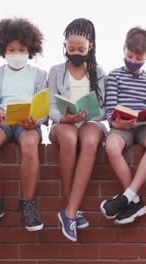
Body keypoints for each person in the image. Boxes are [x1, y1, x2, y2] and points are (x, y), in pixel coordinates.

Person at [0, 18, 47, 231]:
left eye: (21, 49)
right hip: (3, 121)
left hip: (27, 124)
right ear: (2, 49)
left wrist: (36, 120)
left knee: (29, 145)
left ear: (30, 49)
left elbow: (43, 109)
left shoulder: (40, 75)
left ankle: (28, 203)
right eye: (11, 49)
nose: (16, 54)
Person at [48, 18, 107, 242]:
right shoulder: (55, 71)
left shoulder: (99, 72)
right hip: (63, 123)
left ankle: (69, 212)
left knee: (91, 140)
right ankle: (71, 207)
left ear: (90, 47)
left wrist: (86, 115)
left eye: (80, 49)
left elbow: (103, 109)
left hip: (90, 121)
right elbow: (50, 106)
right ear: (65, 46)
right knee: (70, 139)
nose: (75, 52)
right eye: (71, 48)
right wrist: (65, 118)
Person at [100, 27, 146, 224]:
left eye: (139, 58)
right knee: (111, 146)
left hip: (144, 126)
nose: (134, 61)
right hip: (121, 127)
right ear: (124, 49)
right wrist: (115, 122)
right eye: (130, 55)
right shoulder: (114, 76)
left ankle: (128, 197)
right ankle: (135, 201)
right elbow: (110, 110)